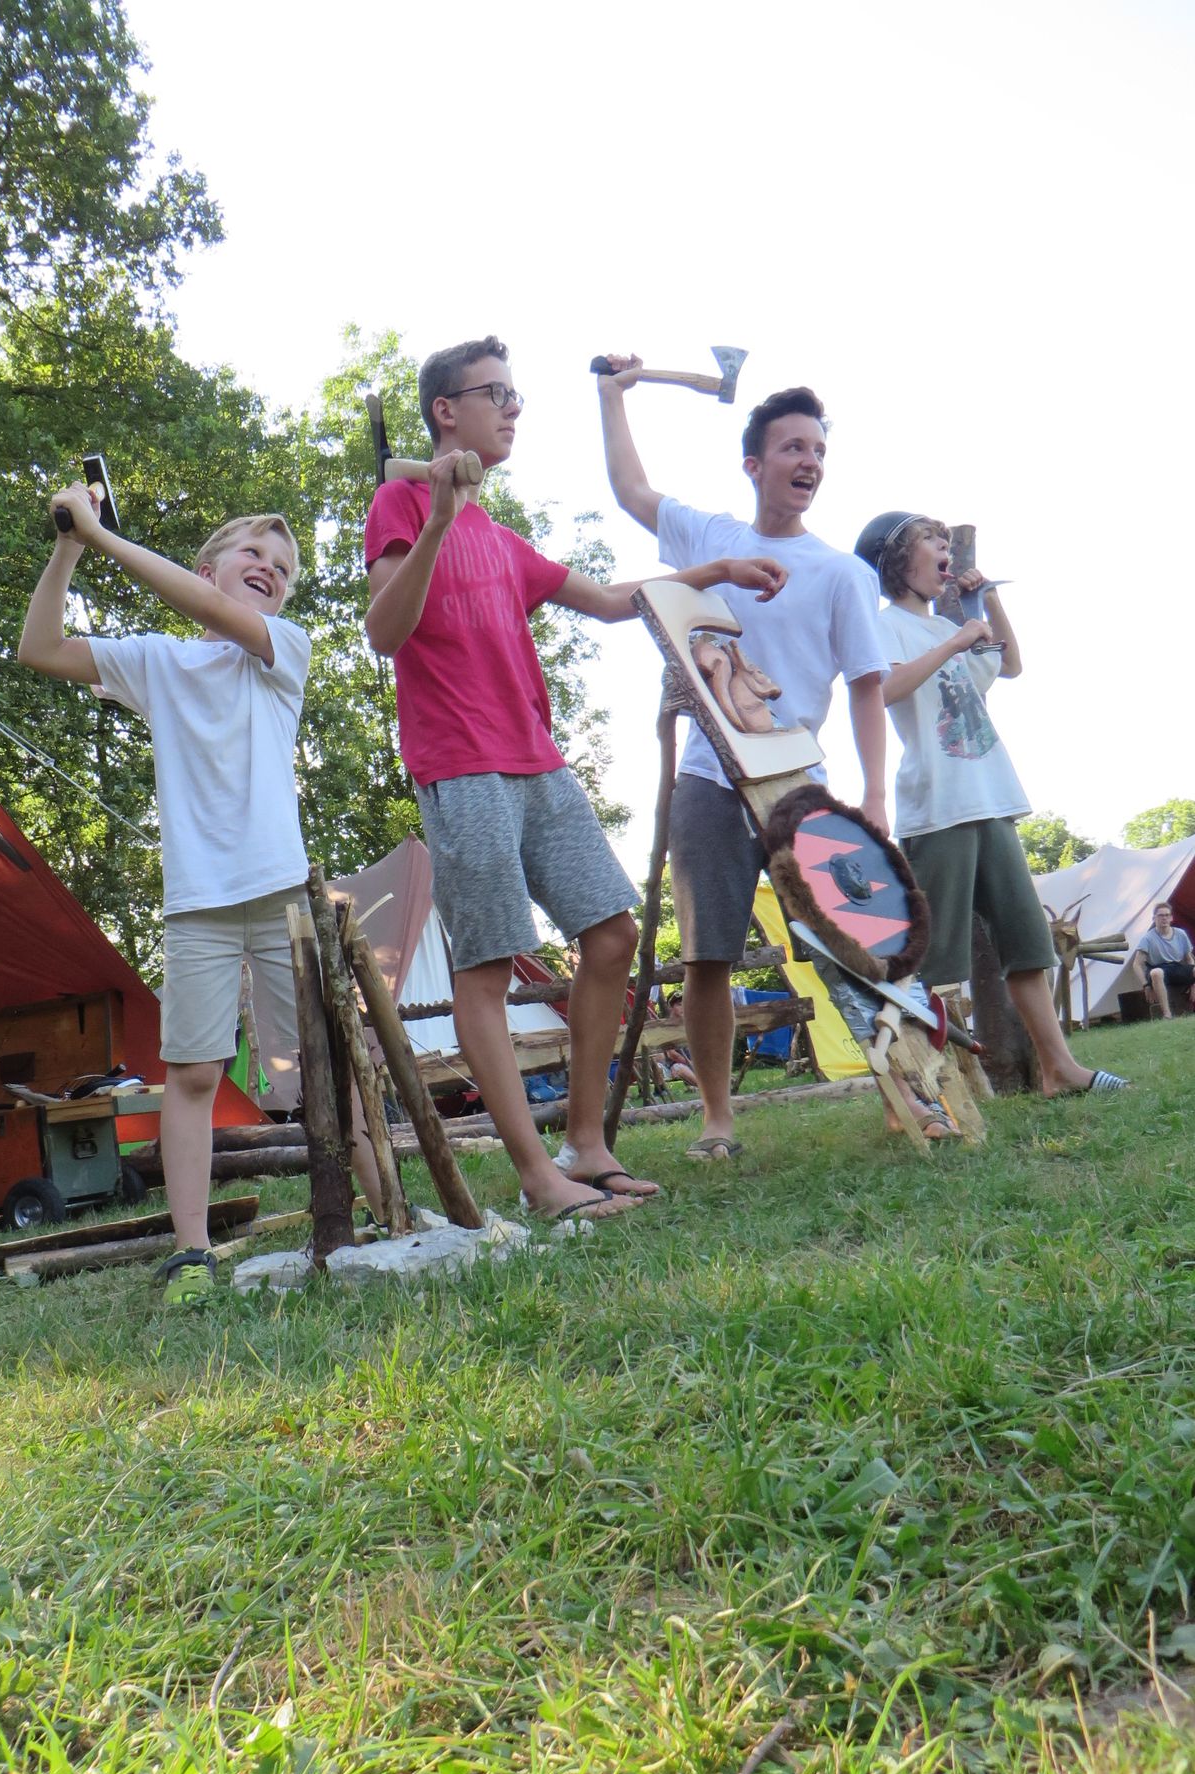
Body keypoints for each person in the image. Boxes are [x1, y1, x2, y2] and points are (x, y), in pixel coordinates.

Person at [364, 334, 785, 1221]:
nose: (515, 409)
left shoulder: (502, 540)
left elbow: (609, 600)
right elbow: (384, 632)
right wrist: (435, 520)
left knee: (613, 935)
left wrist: (714, 570)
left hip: (539, 762)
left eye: (516, 395)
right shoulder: (400, 503)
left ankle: (585, 1144)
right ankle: (537, 1178)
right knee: (486, 968)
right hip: (461, 765)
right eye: (497, 394)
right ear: (446, 411)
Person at [18, 492, 382, 1305]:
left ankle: (382, 1206)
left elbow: (214, 612)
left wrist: (103, 536)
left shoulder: (284, 649)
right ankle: (191, 1253)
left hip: (285, 898)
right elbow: (37, 646)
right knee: (192, 1074)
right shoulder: (158, 662)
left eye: (282, 568)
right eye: (254, 554)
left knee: (328, 1062)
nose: (270, 571)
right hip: (197, 905)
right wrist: (69, 546)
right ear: (207, 567)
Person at [597, 362, 890, 1160]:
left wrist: (874, 795)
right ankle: (717, 1120)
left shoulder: (845, 573)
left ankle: (910, 1089)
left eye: (819, 450)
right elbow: (631, 490)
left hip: (798, 784)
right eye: (794, 447)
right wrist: (612, 396)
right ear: (754, 463)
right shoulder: (714, 538)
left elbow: (867, 688)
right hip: (708, 775)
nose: (810, 462)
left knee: (857, 936)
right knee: (708, 955)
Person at [854, 511, 1128, 1096]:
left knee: (1027, 946)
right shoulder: (886, 624)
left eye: (945, 540)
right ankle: (924, 1093)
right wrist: (956, 639)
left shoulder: (947, 625)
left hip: (991, 800)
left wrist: (990, 603)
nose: (944, 548)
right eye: (930, 540)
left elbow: (1010, 666)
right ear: (897, 560)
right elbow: (884, 689)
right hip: (938, 810)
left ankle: (1059, 1070)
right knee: (931, 964)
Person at [1132, 902, 1195, 1017]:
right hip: (1157, 968)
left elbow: (1189, 959)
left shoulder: (1181, 934)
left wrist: (1193, 984)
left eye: (1167, 915)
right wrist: (1146, 985)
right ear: (1154, 918)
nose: (1164, 918)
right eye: (1160, 915)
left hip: (1176, 968)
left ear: (1171, 918)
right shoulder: (1148, 938)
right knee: (1156, 972)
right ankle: (1167, 1014)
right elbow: (1136, 964)